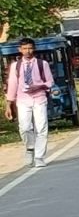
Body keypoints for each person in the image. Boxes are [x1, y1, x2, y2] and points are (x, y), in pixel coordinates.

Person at [8, 38, 55, 168]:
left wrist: (39, 86)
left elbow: (50, 82)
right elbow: (12, 84)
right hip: (22, 100)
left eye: (30, 48)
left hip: (39, 98)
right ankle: (30, 148)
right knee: (24, 127)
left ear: (34, 49)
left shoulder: (42, 64)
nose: (27, 51)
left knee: (41, 128)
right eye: (24, 49)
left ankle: (39, 157)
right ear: (20, 50)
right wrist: (9, 104)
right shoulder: (15, 66)